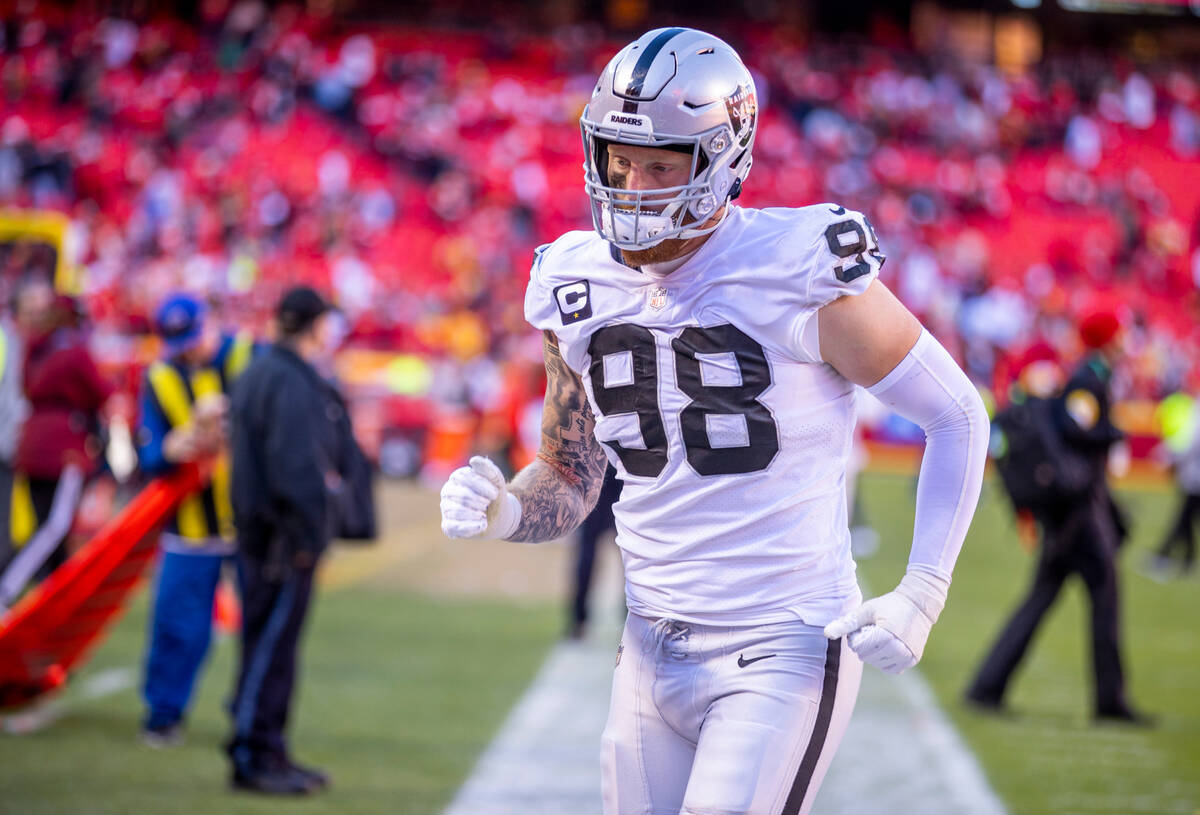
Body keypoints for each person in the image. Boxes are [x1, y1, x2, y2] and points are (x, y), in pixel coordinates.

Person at [440, 28, 990, 815]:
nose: (631, 182)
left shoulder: (798, 265)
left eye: (661, 163)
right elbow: (569, 471)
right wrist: (506, 510)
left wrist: (924, 590)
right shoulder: (573, 279)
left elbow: (957, 414)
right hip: (648, 640)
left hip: (783, 639)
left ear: (723, 159)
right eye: (617, 157)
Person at [966, 309, 1149, 724]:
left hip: (1076, 512)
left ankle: (988, 686)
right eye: (1118, 333)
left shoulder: (1092, 376)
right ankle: (1109, 700)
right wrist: (1114, 431)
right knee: (1103, 596)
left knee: (1043, 598)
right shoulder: (1088, 379)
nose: (1124, 339)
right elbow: (1074, 429)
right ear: (1105, 339)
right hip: (1079, 514)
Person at [226, 286, 355, 795]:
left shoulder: (259, 369)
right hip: (280, 539)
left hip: (261, 533)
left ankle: (269, 749)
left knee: (269, 647)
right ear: (314, 324)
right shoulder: (291, 379)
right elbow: (296, 467)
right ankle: (253, 754)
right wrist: (308, 534)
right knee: (269, 650)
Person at [137, 293, 257, 746]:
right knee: (177, 626)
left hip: (252, 522)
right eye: (180, 344)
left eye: (194, 339)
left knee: (262, 628)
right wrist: (175, 446)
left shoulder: (250, 356)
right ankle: (163, 715)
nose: (190, 352)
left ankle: (253, 722)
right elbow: (149, 454)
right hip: (190, 527)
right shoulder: (160, 376)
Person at [0, 289, 111, 606]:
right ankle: (8, 588)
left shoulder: (34, 349)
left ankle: (53, 596)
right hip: (64, 448)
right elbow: (100, 392)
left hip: (31, 446)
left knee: (45, 523)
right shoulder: (73, 351)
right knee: (55, 526)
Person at [567, 464, 622, 640]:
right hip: (623, 467)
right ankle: (636, 619)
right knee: (632, 552)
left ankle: (579, 620)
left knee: (588, 549)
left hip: (597, 470)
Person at [1148, 392, 1199, 576]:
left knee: (1184, 519)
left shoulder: (1197, 410)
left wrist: (1166, 456)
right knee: (1186, 519)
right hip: (1194, 476)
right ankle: (1185, 559)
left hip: (1195, 478)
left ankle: (1166, 555)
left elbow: (1189, 443)